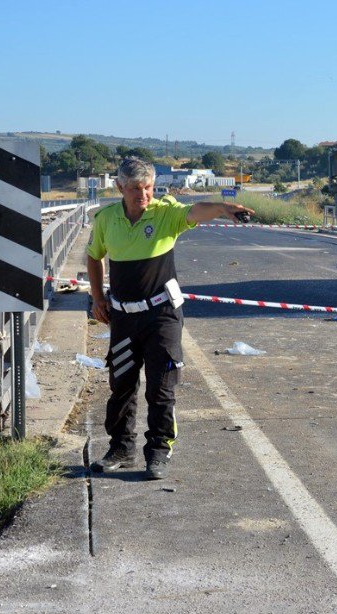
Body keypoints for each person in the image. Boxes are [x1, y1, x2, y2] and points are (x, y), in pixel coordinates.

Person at [87, 157, 253, 479]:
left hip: (161, 314)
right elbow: (94, 257)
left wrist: (221, 208)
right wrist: (97, 299)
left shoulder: (165, 213)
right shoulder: (107, 220)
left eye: (148, 187)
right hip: (123, 317)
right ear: (120, 187)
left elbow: (194, 212)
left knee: (161, 388)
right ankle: (121, 448)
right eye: (135, 189)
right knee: (121, 384)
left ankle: (159, 451)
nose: (143, 195)